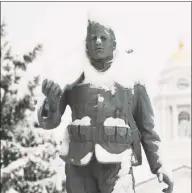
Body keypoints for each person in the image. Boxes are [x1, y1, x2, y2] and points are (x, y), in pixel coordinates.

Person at [37, 17, 174, 193]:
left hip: (117, 166)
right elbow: (49, 122)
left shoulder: (132, 80)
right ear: (86, 44)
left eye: (103, 37)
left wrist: (160, 166)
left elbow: (148, 129)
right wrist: (51, 104)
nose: (98, 42)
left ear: (114, 44)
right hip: (80, 167)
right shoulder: (71, 76)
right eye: (93, 38)